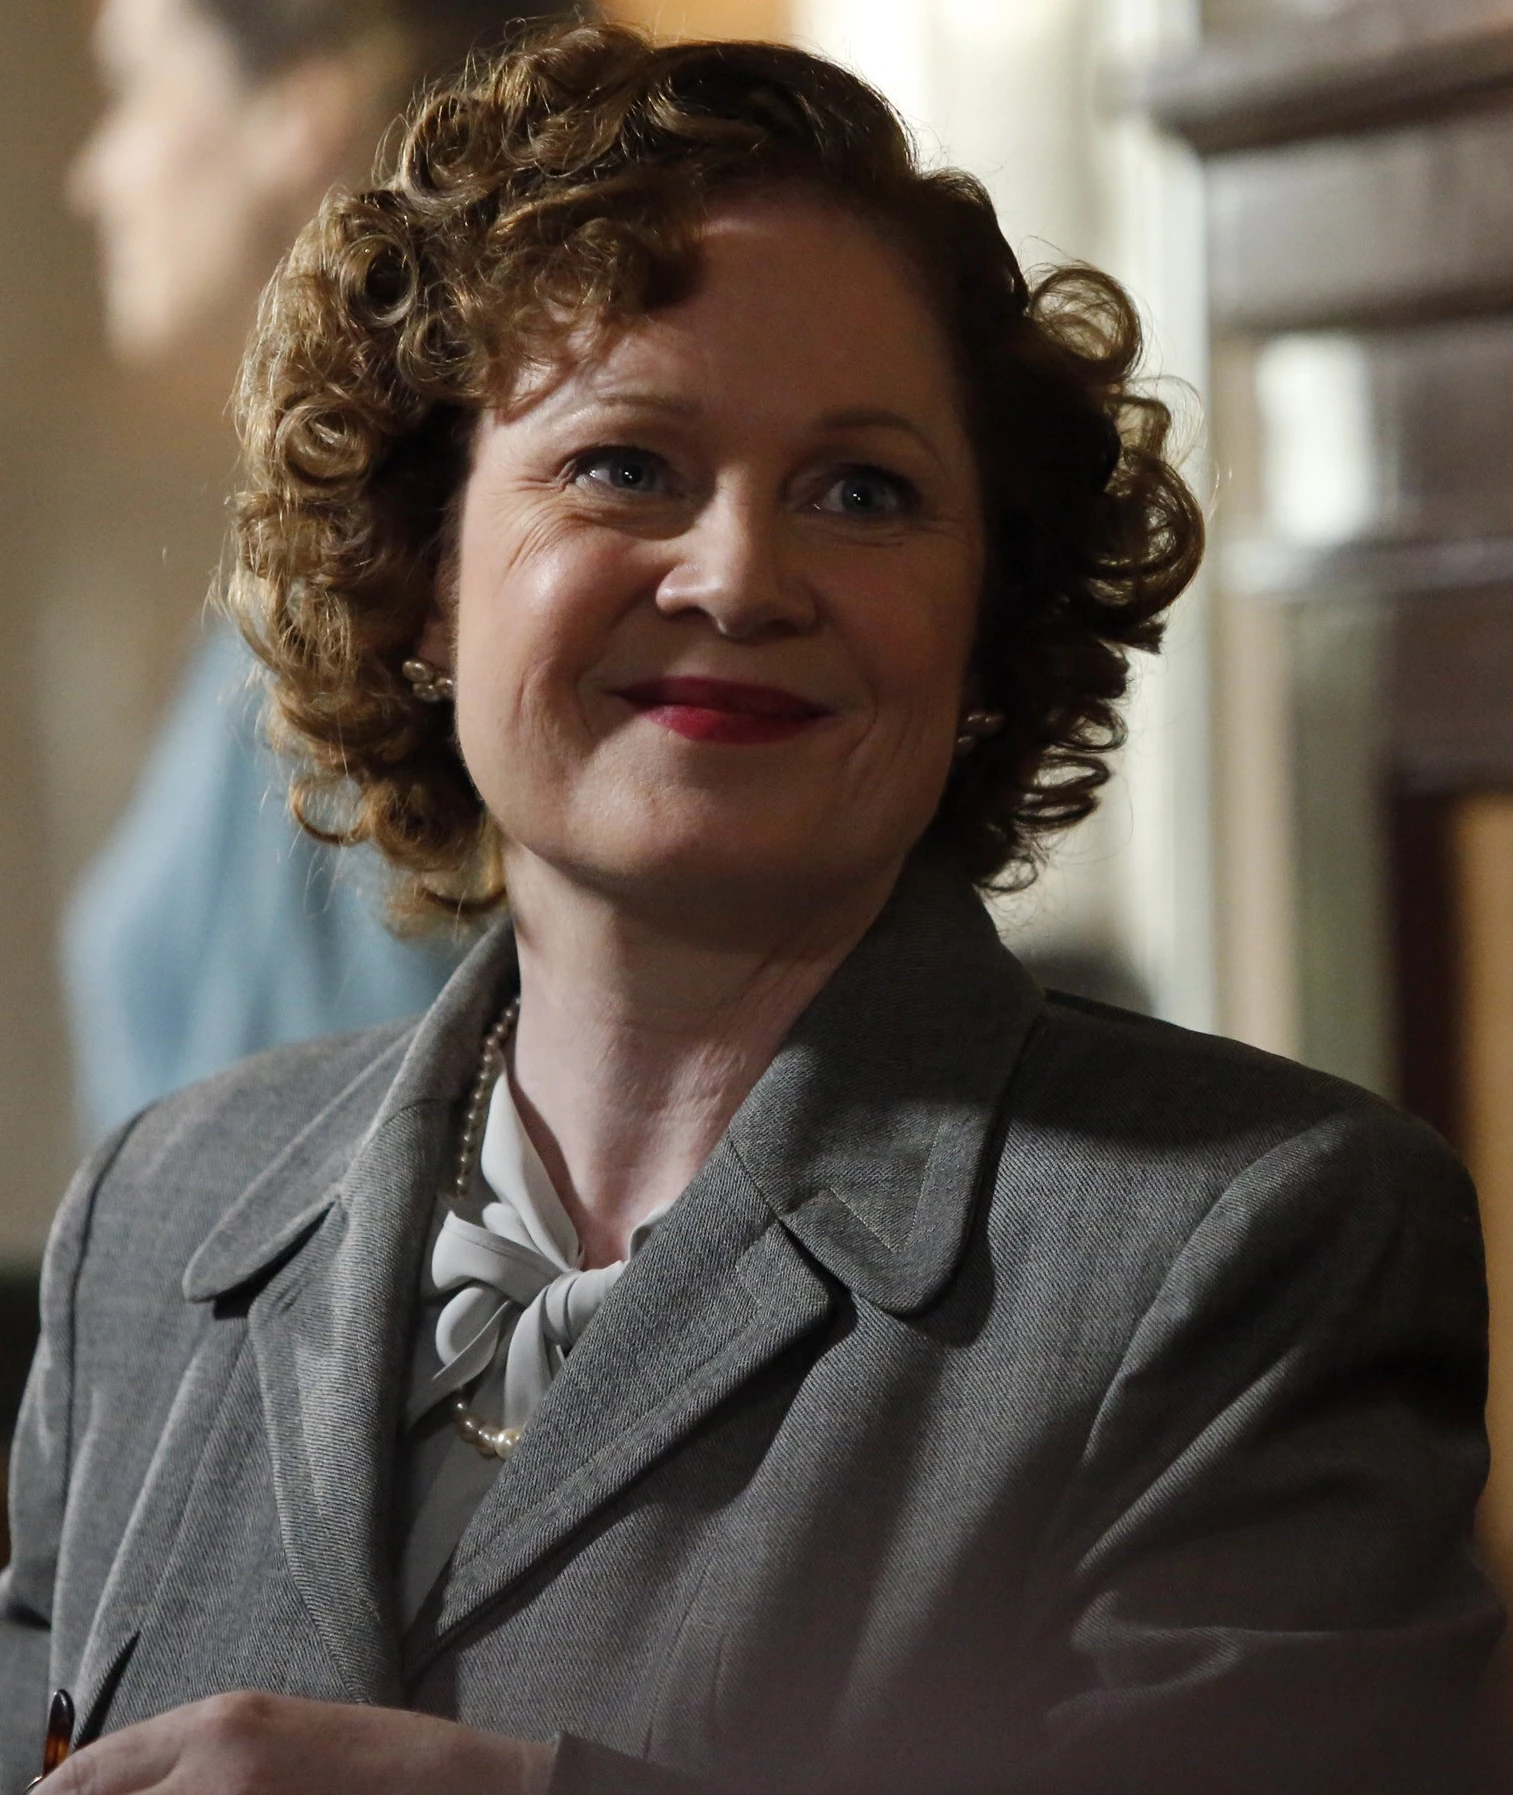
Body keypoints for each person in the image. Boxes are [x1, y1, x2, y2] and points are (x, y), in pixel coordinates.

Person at [2, 23, 1500, 1795]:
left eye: (862, 491)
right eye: (624, 464)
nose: (737, 576)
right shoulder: (152, 1218)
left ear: (984, 629)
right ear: (423, 572)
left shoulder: (1255, 1244)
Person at [62, 0, 565, 1141]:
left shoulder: (396, 620)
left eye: (131, 89)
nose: (95, 179)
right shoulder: (314, 601)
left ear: (303, 105)